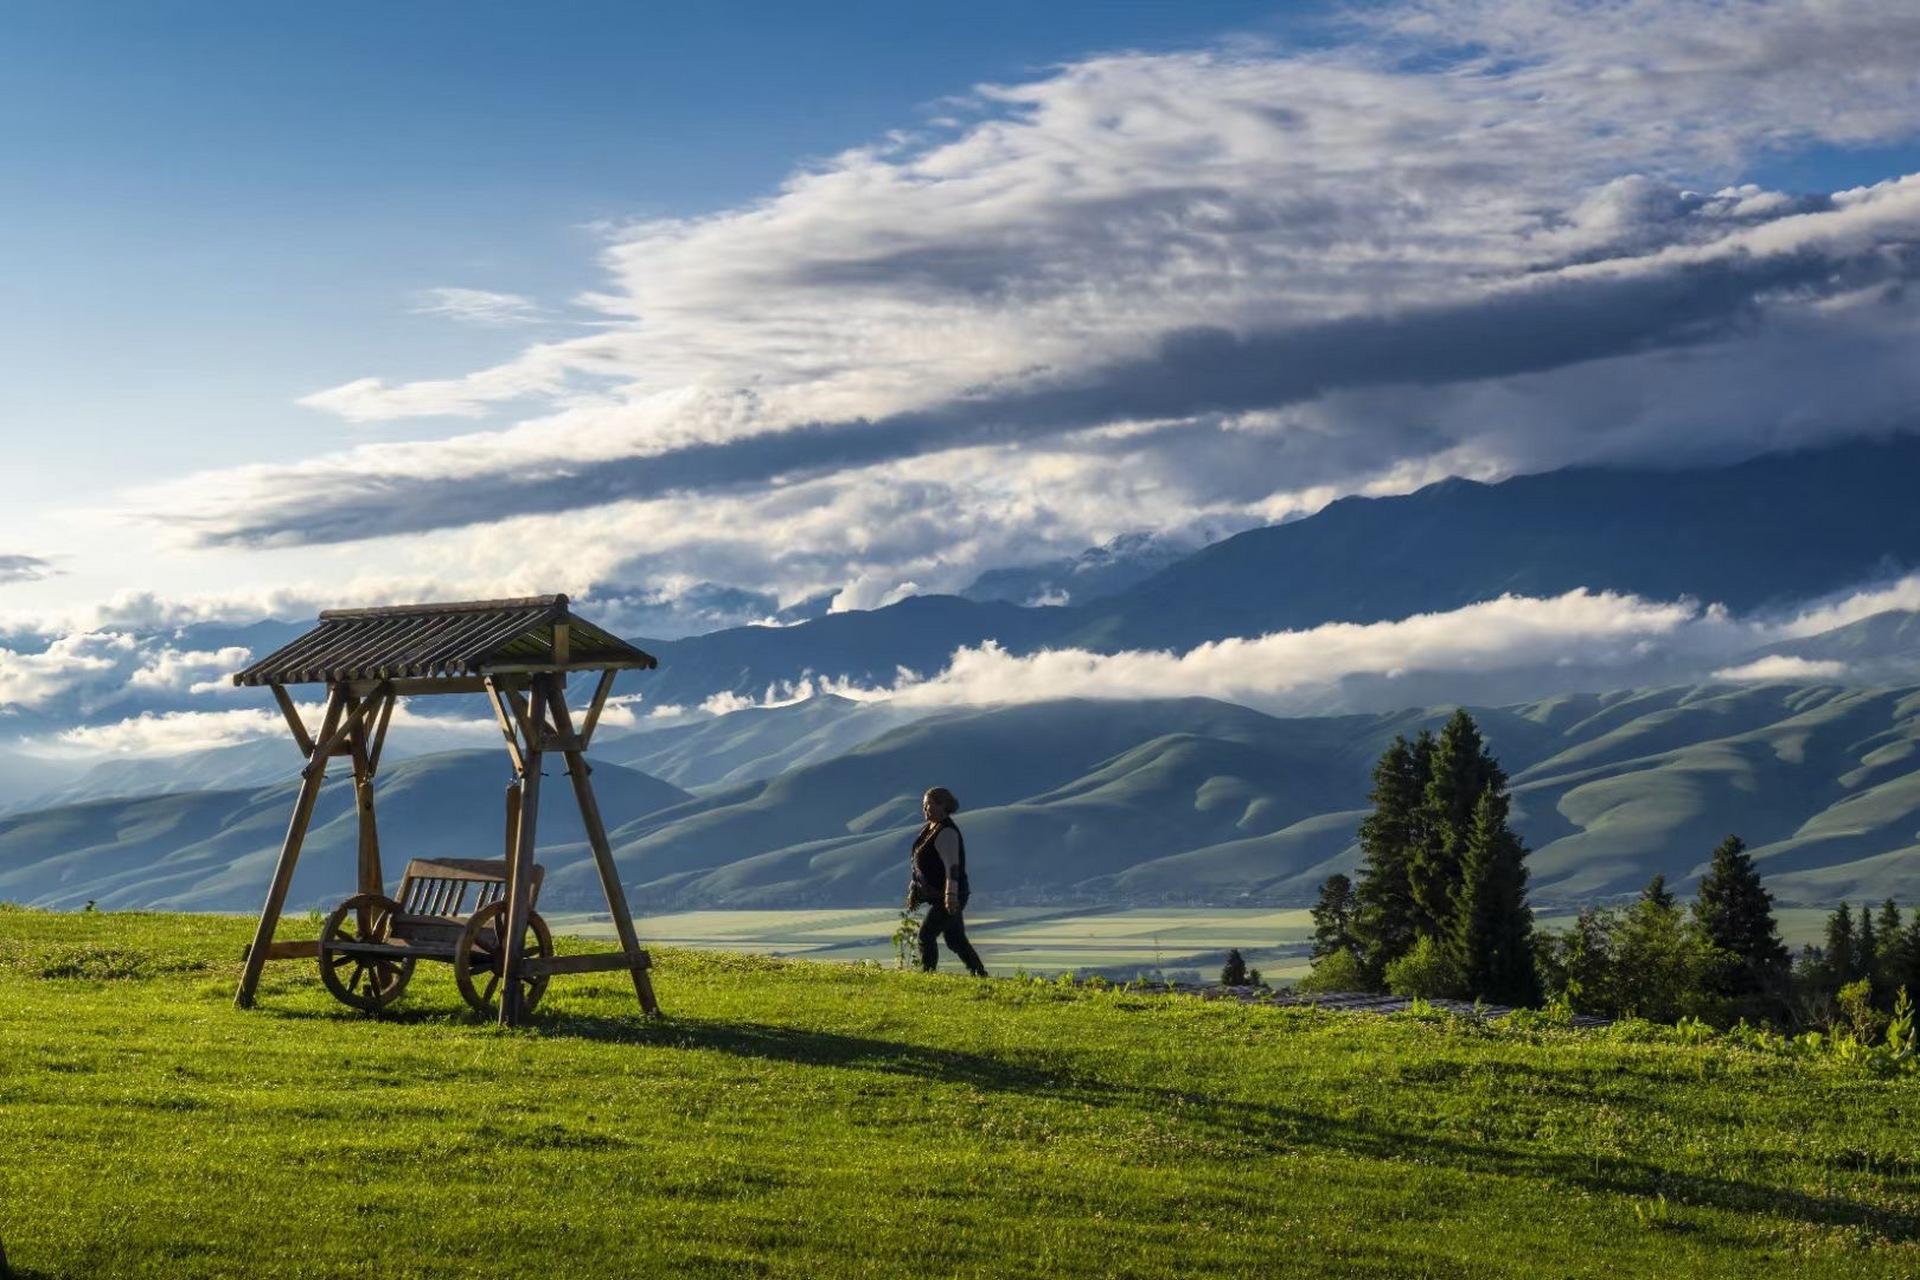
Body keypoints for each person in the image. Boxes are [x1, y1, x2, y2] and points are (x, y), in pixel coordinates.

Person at [908, 786, 988, 976]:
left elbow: (952, 867)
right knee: (955, 939)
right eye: (924, 806)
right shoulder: (929, 829)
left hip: (950, 895)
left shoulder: (947, 832)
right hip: (937, 895)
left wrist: (950, 895)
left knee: (926, 935)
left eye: (929, 805)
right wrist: (914, 889)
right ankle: (979, 974)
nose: (925, 810)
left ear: (943, 806)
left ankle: (927, 975)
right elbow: (918, 864)